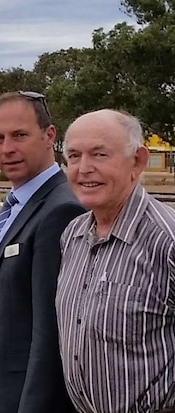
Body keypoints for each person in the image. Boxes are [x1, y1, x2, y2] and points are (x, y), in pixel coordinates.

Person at [0, 92, 84, 413]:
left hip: (17, 399)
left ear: (49, 136)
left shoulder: (61, 208)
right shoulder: (14, 204)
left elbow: (50, 332)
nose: (6, 148)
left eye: (19, 135)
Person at [57, 109, 175, 413]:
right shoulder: (73, 235)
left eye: (99, 154)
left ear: (137, 160)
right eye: (73, 156)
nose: (84, 169)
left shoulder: (167, 240)